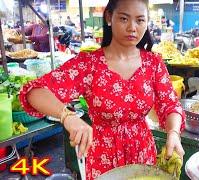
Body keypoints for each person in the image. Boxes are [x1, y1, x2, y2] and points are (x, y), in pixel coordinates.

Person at [19, 0, 185, 179]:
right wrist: (67, 116)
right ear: (108, 17)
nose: (132, 27)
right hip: (103, 157)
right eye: (124, 19)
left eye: (140, 20)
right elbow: (33, 92)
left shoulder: (153, 63)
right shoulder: (89, 64)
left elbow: (170, 104)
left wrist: (173, 133)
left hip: (142, 152)